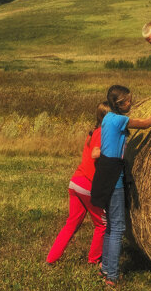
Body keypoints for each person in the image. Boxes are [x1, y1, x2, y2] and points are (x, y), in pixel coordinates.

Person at [90, 85, 151, 287]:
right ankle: (111, 275)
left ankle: (105, 267)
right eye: (129, 101)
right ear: (120, 104)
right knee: (118, 227)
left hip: (104, 172)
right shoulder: (121, 119)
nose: (131, 103)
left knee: (112, 226)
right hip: (114, 176)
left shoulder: (107, 119)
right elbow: (144, 124)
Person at [45, 111, 106, 265]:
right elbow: (95, 154)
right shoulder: (100, 133)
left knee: (72, 223)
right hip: (87, 184)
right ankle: (94, 260)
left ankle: (51, 258)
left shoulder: (91, 133)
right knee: (102, 224)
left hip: (76, 182)